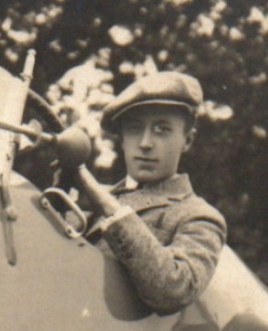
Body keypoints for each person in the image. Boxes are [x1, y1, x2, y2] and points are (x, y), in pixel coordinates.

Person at [71, 71, 227, 314]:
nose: (145, 143)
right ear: (121, 139)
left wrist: (109, 207)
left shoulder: (199, 216)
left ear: (187, 141)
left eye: (162, 130)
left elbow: (174, 289)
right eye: (134, 129)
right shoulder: (97, 202)